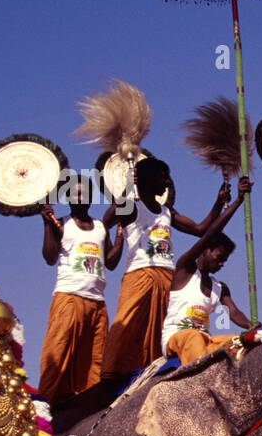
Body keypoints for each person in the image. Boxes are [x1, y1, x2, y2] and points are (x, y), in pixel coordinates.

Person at [101, 158, 232, 382]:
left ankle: (146, 370)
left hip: (166, 276)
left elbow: (200, 229)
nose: (168, 182)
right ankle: (110, 374)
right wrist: (129, 187)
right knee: (128, 322)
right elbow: (107, 219)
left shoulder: (166, 211)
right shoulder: (133, 206)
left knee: (154, 329)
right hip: (140, 273)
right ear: (146, 178)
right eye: (163, 176)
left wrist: (219, 203)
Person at [35, 173, 125, 404]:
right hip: (69, 298)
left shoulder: (100, 228)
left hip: (97, 302)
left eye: (84, 192)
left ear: (91, 197)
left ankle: (86, 408)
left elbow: (112, 262)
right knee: (59, 352)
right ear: (67, 198)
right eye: (74, 192)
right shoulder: (61, 224)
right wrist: (47, 224)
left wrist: (121, 232)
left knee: (94, 360)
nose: (79, 195)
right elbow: (49, 257)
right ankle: (46, 406)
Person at [159, 178, 253, 363]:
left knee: (237, 342)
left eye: (224, 261)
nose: (221, 265)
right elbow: (209, 232)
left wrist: (251, 327)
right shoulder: (185, 269)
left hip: (205, 341)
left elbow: (232, 312)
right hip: (177, 339)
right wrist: (237, 202)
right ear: (204, 250)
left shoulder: (220, 287)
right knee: (193, 337)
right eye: (219, 259)